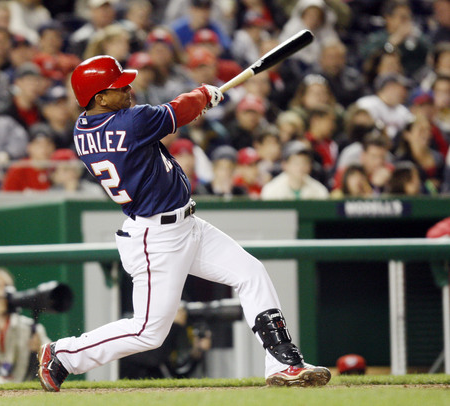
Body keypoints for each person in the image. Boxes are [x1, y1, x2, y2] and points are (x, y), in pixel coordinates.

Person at [37, 55, 331, 391]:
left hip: (185, 225)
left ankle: (284, 362)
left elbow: (168, 117)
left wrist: (199, 101)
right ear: (100, 98)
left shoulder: (82, 129)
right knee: (148, 332)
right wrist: (205, 94)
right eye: (119, 87)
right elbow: (179, 110)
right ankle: (63, 355)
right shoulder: (130, 122)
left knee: (251, 273)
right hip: (156, 235)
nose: (129, 89)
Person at [261, 140, 329, 200]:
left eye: (305, 162)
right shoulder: (271, 190)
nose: (301, 167)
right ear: (285, 165)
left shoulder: (319, 190)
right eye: (296, 163)